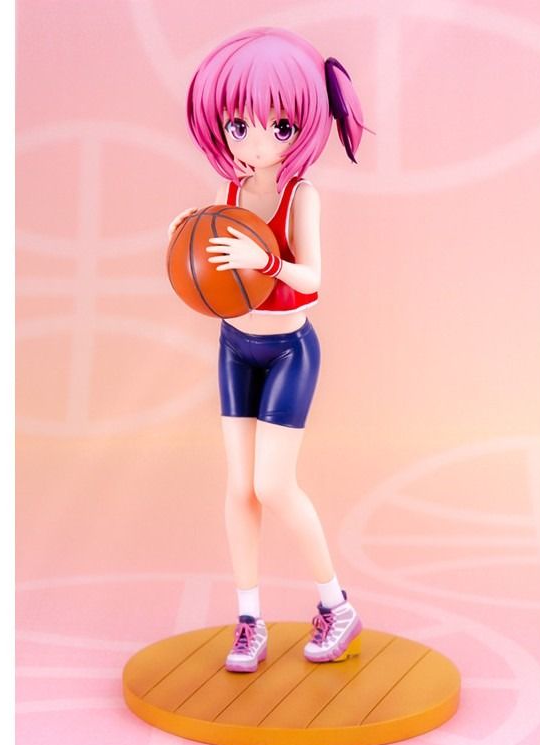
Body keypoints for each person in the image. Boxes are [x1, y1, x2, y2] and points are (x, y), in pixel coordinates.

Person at [168, 27, 370, 672]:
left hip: (288, 351)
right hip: (235, 346)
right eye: (238, 126)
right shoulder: (228, 194)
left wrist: (267, 262)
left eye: (278, 126)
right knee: (239, 488)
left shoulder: (301, 195)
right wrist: (185, 236)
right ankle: (249, 619)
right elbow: (211, 260)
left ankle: (336, 604)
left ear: (303, 125)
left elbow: (313, 280)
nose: (255, 142)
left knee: (273, 484)